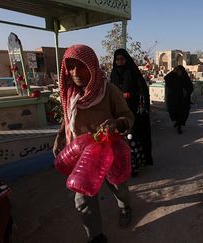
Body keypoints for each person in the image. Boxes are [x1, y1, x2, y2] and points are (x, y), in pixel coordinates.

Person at [53, 44, 135, 243]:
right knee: (83, 199)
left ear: (92, 66)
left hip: (109, 152)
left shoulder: (109, 91)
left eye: (81, 66)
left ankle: (125, 207)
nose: (75, 72)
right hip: (83, 155)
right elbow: (67, 116)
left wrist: (117, 123)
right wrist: (59, 137)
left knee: (118, 187)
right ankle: (96, 237)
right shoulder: (70, 93)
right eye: (71, 67)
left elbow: (128, 116)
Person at [110, 48, 154, 175]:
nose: (119, 61)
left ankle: (134, 166)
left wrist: (129, 95)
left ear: (126, 59)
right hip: (118, 113)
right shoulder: (113, 74)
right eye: (117, 59)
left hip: (133, 111)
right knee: (120, 140)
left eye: (122, 59)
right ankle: (124, 165)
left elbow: (143, 91)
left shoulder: (133, 72)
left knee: (132, 138)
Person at [164, 65, 194, 134]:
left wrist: (187, 92)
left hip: (183, 101)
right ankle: (177, 122)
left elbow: (191, 87)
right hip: (174, 100)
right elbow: (166, 78)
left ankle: (179, 126)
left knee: (182, 113)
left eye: (180, 71)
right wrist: (172, 72)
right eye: (178, 71)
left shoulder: (185, 78)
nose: (179, 72)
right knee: (174, 112)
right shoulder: (173, 77)